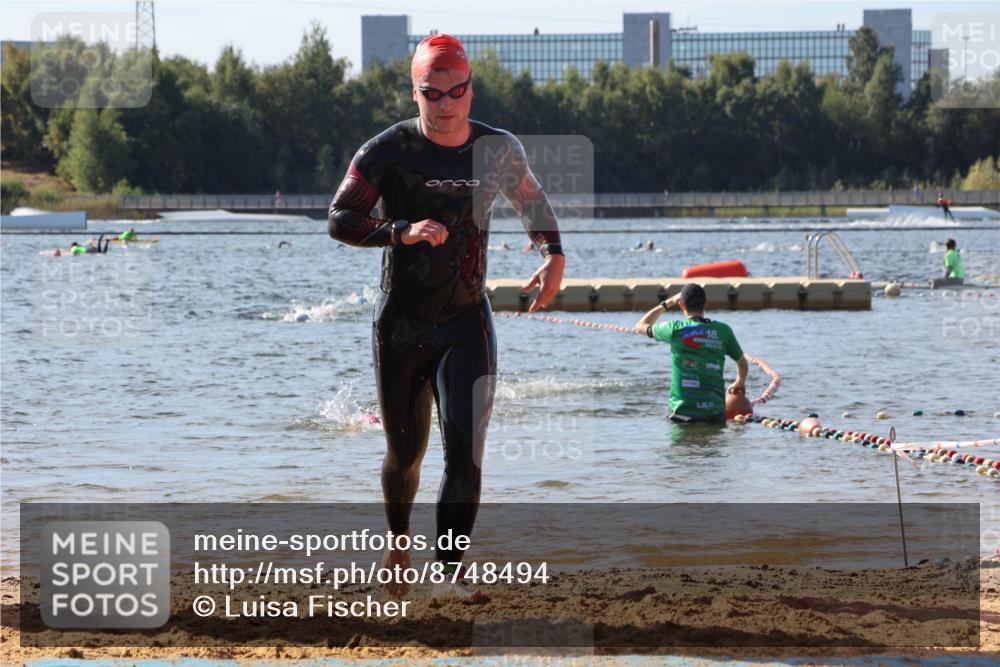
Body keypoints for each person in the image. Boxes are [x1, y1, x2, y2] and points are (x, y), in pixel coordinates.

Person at [327, 34, 564, 601]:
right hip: (402, 325)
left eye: (457, 92)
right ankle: (398, 544)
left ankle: (451, 572)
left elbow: (532, 202)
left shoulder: (499, 149)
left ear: (470, 90)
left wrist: (553, 254)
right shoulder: (385, 152)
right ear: (416, 93)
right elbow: (339, 218)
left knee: (466, 447)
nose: (446, 104)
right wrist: (397, 232)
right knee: (405, 454)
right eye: (433, 94)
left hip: (465, 319)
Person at [634, 284, 748, 424]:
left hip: (681, 412)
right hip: (714, 413)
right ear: (705, 303)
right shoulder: (723, 331)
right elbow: (742, 363)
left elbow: (640, 326)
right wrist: (739, 382)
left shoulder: (674, 329)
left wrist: (668, 303)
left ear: (681, 305)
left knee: (682, 445)